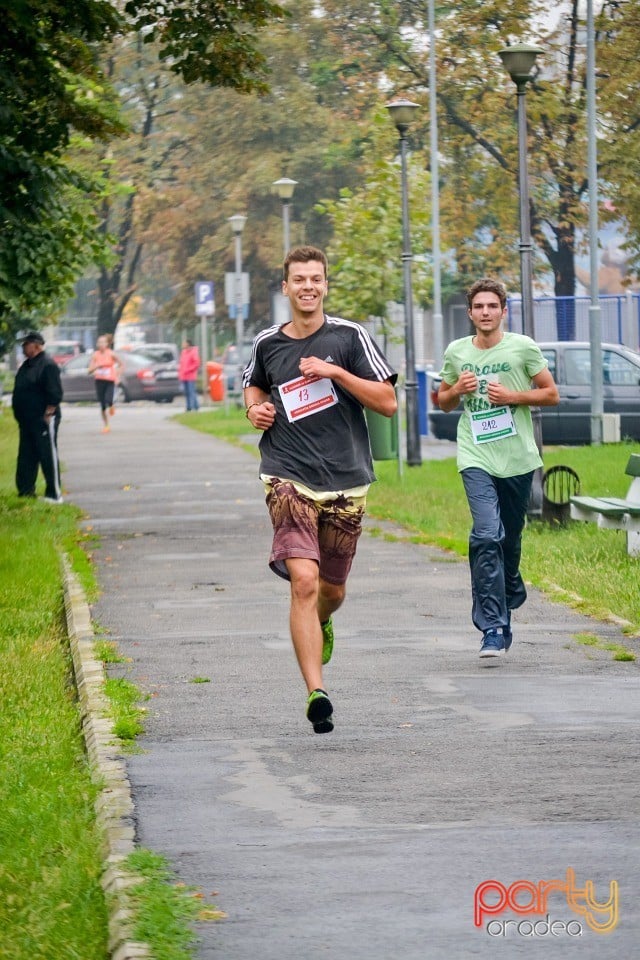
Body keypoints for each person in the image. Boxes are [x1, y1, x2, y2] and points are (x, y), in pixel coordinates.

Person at [243, 245, 398, 734]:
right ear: (285, 287)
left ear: (325, 284)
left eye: (316, 279)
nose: (308, 286)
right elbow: (254, 385)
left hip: (346, 480)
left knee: (331, 589)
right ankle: (317, 691)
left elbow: (388, 403)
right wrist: (255, 410)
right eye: (299, 279)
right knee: (304, 582)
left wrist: (335, 372)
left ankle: (324, 621)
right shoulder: (268, 342)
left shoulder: (350, 337)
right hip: (286, 473)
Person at [437, 277, 559, 659]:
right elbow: (442, 401)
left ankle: (509, 588)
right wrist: (457, 390)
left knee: (509, 539)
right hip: (475, 455)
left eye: (493, 306)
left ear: (503, 311)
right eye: (479, 307)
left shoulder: (522, 347)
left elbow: (551, 393)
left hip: (518, 458)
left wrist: (513, 396)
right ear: (471, 313)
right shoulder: (457, 352)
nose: (486, 312)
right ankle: (492, 626)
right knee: (487, 534)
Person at [11, 331, 64, 503]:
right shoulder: (27, 365)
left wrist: (49, 413)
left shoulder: (47, 365)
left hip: (43, 418)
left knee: (47, 454)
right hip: (27, 420)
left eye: (25, 344)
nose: (23, 347)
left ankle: (54, 494)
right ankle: (25, 491)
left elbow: (55, 392)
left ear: (36, 345)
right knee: (26, 455)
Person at [88, 335, 123, 432]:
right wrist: (97, 367)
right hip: (99, 381)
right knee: (102, 405)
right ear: (97, 344)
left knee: (108, 399)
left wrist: (118, 374)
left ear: (107, 344)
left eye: (103, 342)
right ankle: (106, 425)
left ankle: (111, 405)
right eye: (99, 342)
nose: (101, 344)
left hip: (109, 380)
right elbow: (89, 370)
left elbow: (121, 364)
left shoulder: (111, 354)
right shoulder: (95, 355)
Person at [178, 338, 200, 411]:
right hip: (184, 376)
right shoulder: (183, 352)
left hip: (190, 376)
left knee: (191, 391)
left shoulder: (193, 352)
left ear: (188, 344)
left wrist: (188, 370)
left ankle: (194, 406)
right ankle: (189, 406)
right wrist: (181, 374)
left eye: (184, 343)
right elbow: (182, 364)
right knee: (186, 392)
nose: (183, 344)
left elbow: (196, 363)